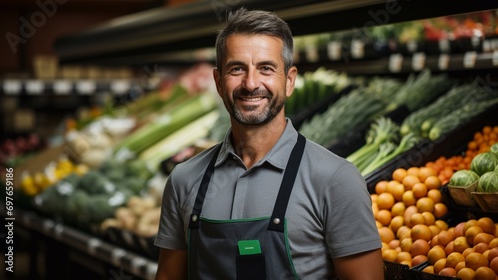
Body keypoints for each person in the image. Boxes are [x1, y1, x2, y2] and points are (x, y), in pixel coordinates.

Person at [154, 7, 384, 280]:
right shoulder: (183, 180)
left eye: (266, 68)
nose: (251, 84)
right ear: (218, 82)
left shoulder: (335, 180)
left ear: (289, 81)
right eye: (237, 69)